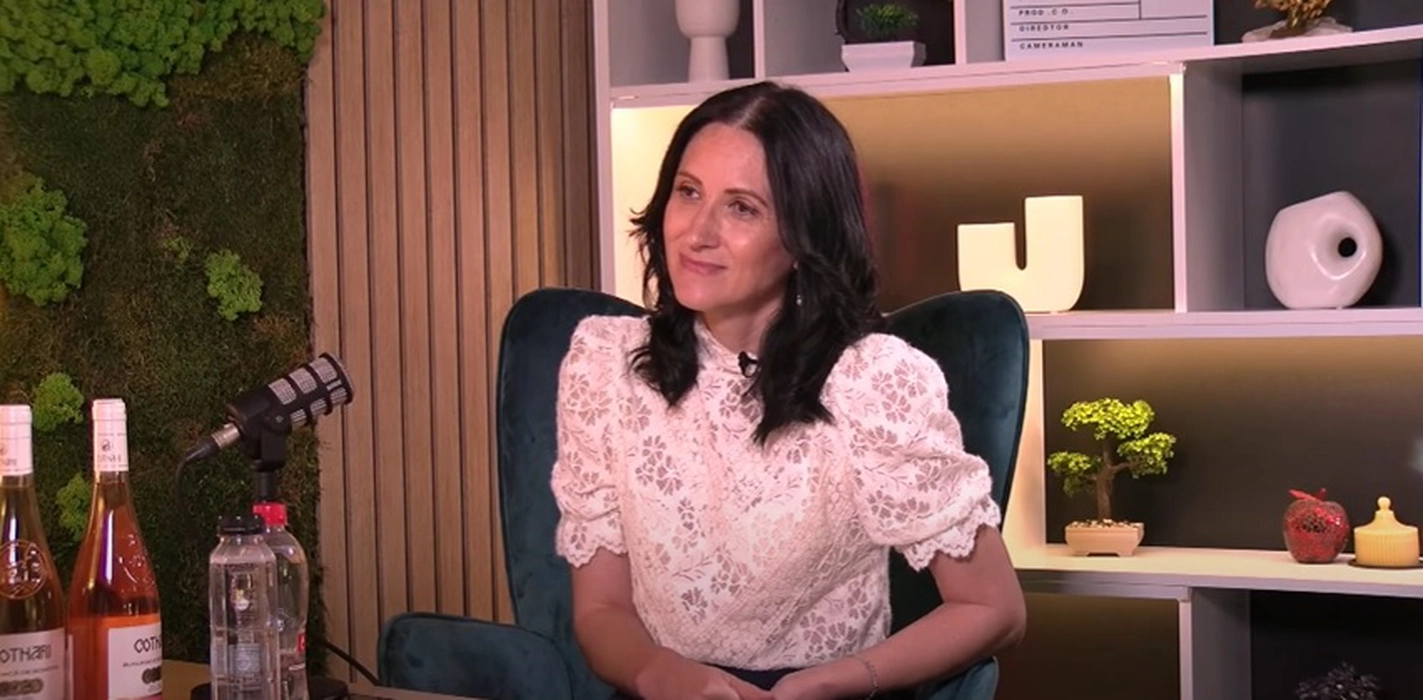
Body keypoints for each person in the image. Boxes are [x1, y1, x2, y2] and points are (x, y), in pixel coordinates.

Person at [549, 80, 1026, 700]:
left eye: (742, 208)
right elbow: (600, 609)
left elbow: (995, 608)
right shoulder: (604, 363)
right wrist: (660, 674)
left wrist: (837, 682)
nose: (698, 232)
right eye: (688, 192)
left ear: (804, 238)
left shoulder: (873, 382)